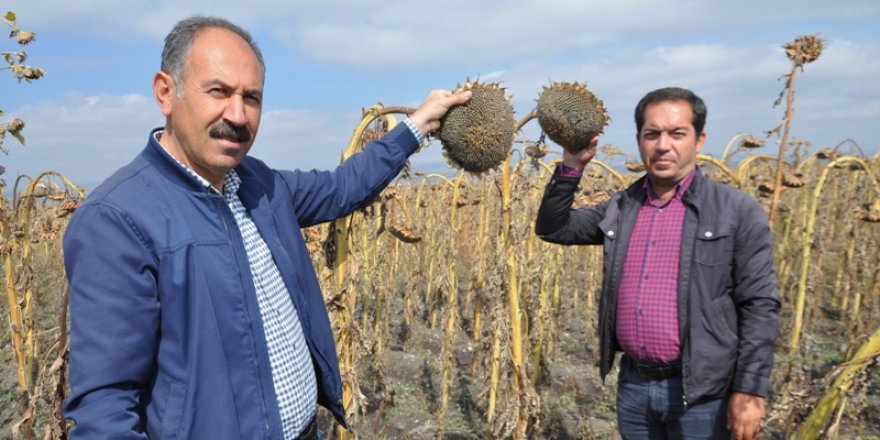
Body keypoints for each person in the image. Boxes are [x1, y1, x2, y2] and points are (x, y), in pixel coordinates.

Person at [62, 15, 470, 439]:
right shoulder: (117, 218)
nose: (237, 115)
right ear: (166, 92)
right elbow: (104, 408)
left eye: (252, 98)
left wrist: (418, 125)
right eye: (218, 91)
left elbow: (341, 187)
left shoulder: (262, 185)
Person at [535, 87, 779, 440]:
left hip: (702, 393)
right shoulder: (622, 207)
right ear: (639, 141)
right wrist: (572, 165)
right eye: (652, 134)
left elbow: (760, 305)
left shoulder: (735, 210)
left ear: (699, 140)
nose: (663, 145)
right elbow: (554, 228)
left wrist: (751, 388)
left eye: (677, 134)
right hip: (635, 385)